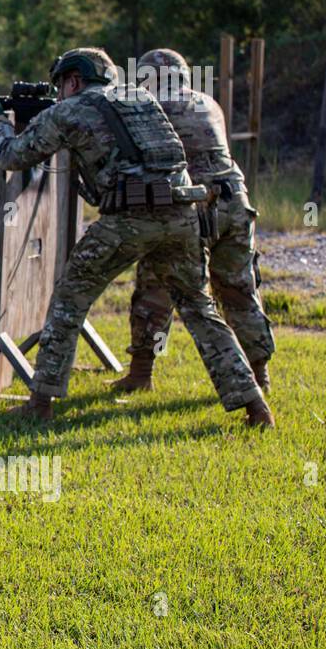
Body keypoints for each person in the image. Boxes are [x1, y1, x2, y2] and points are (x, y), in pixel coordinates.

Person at [0, 47, 274, 428]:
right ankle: (255, 405)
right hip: (181, 213)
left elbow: (12, 156)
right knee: (199, 308)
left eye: (61, 85)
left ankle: (41, 401)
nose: (60, 93)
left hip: (131, 218)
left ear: (74, 80)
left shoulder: (68, 110)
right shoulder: (141, 99)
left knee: (69, 296)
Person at [111, 48, 275, 393]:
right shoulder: (207, 102)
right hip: (236, 203)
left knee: (155, 288)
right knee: (239, 290)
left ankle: (142, 373)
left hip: (192, 208)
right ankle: (259, 375)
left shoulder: (154, 106)